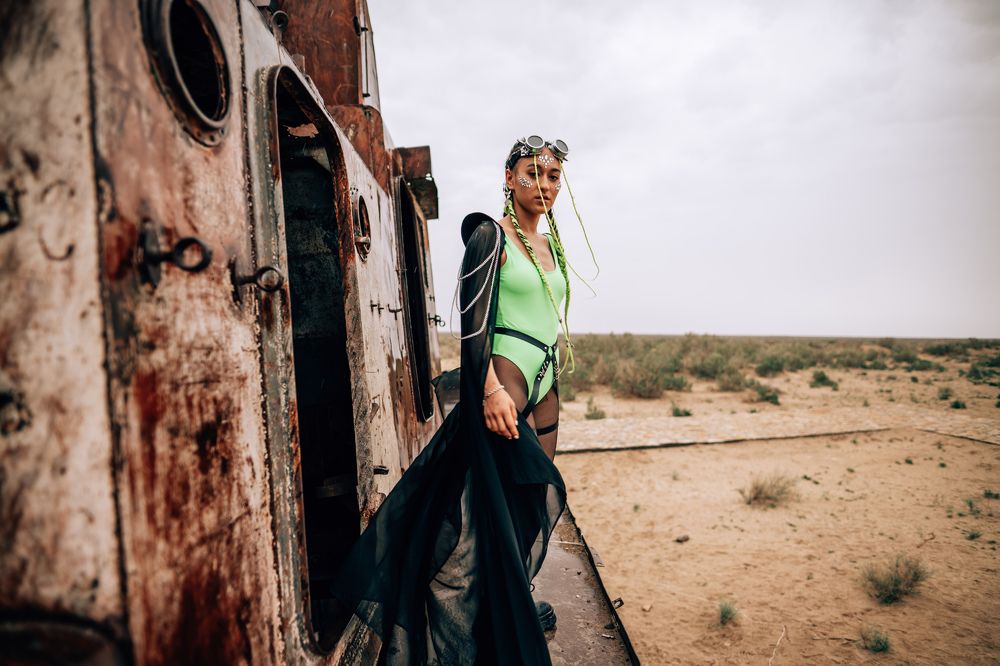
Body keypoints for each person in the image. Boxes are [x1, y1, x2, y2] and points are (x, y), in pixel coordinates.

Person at [329, 136, 596, 665]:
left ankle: (513, 600)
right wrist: (489, 389)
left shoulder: (551, 245)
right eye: (532, 173)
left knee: (529, 503)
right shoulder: (489, 237)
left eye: (553, 177)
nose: (543, 185)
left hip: (543, 383)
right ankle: (466, 638)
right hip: (503, 382)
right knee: (477, 517)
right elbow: (472, 328)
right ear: (509, 178)